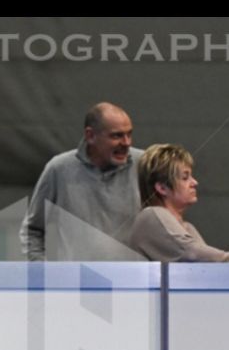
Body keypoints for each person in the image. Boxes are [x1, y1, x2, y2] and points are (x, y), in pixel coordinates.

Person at [19, 102, 143, 260]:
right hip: (73, 283)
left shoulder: (145, 165)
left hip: (134, 282)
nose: (126, 142)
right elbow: (32, 231)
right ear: (90, 136)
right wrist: (43, 273)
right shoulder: (59, 169)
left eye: (129, 134)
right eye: (116, 135)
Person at [129, 144, 229, 262]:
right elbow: (192, 253)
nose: (194, 182)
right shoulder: (151, 214)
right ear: (162, 188)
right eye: (185, 177)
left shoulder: (188, 228)